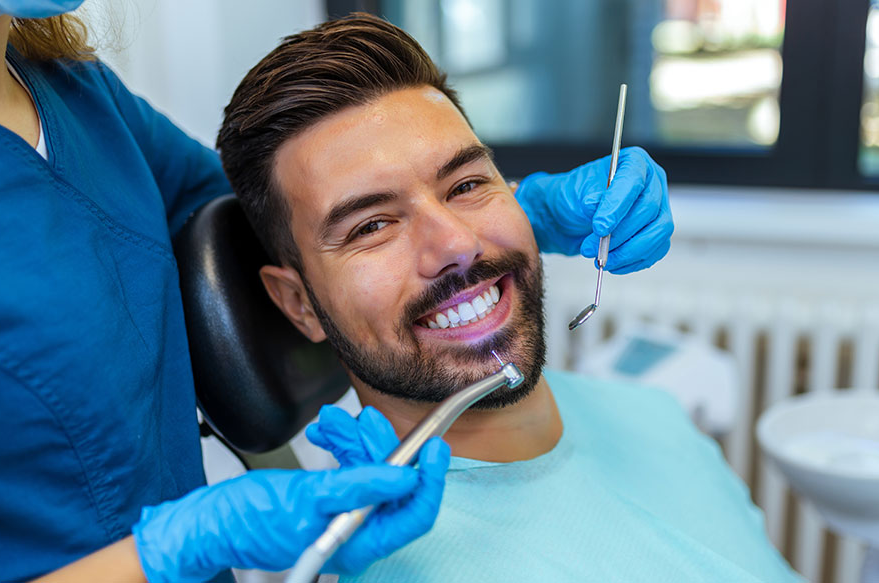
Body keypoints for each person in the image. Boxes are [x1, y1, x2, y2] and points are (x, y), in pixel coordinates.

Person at [0, 3, 672, 583]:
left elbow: (298, 224)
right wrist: (170, 551)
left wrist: (509, 218)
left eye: (465, 178)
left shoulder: (77, 95)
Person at [216, 13, 801, 582]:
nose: (456, 242)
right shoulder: (401, 561)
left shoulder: (656, 414)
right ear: (299, 304)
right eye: (371, 226)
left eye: (467, 185)